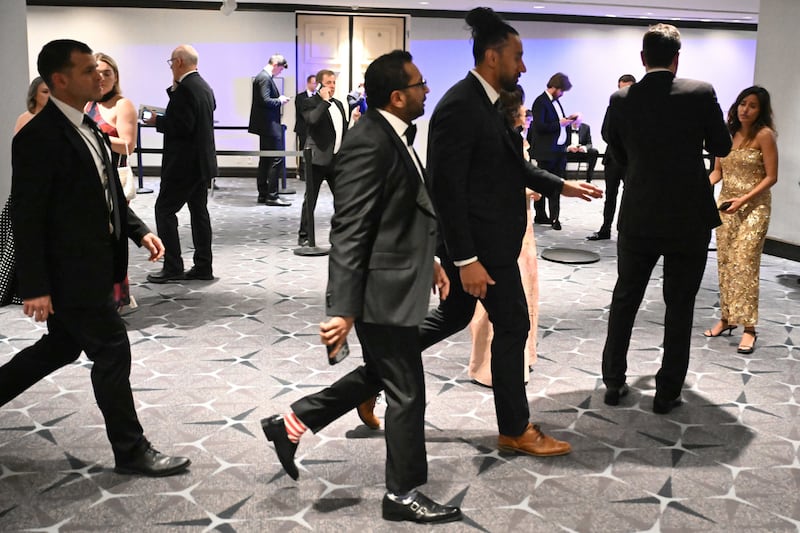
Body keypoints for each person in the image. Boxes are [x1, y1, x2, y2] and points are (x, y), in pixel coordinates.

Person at [353, 7, 603, 453]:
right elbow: (446, 191)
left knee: (452, 318)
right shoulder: (460, 107)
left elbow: (514, 165)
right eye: (517, 56)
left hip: (487, 245)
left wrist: (560, 185)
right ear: (493, 57)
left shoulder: (487, 104)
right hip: (479, 250)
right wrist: (465, 260)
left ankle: (369, 378)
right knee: (514, 324)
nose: (523, 66)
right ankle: (515, 428)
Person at [261, 50, 461, 525]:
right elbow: (350, 228)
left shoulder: (391, 135)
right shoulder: (369, 141)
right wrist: (344, 308)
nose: (426, 89)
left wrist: (429, 257)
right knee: (407, 390)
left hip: (393, 281)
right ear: (397, 96)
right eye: (420, 84)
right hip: (377, 291)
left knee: (387, 375)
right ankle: (402, 493)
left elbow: (399, 212)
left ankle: (293, 422)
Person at [3, 38, 190, 476]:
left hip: (95, 264)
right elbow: (26, 217)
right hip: (71, 273)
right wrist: (35, 286)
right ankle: (130, 450)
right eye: (89, 70)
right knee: (112, 349)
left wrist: (139, 230)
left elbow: (105, 193)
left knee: (60, 348)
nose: (99, 75)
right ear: (60, 79)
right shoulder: (37, 136)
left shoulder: (88, 126)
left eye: (100, 69)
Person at [600, 24, 732, 414]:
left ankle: (613, 381)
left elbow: (614, 146)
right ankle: (667, 391)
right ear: (677, 58)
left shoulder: (621, 98)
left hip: (639, 212)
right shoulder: (701, 92)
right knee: (679, 305)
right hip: (688, 217)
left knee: (626, 298)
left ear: (643, 59)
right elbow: (722, 145)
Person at [468, 86, 540, 387]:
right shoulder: (497, 141)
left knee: (524, 296)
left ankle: (522, 358)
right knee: (505, 300)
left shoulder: (514, 139)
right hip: (505, 234)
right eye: (522, 108)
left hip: (522, 230)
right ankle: (490, 367)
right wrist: (533, 188)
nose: (525, 113)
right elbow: (500, 185)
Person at [705, 86, 778, 354]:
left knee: (745, 264)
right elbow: (716, 172)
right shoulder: (726, 135)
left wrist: (744, 200)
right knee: (725, 263)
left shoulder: (765, 136)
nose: (745, 109)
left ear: (761, 110)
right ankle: (726, 318)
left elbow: (771, 177)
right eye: (742, 103)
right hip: (726, 206)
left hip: (754, 209)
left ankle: (748, 328)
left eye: (753, 105)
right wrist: (699, 185)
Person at [145, 44, 217, 284]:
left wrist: (157, 121)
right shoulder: (204, 86)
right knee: (199, 213)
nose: (170, 67)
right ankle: (203, 266)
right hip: (201, 164)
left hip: (183, 166)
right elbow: (194, 119)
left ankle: (173, 266)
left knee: (164, 211)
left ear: (178, 62)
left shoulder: (186, 89)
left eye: (170, 63)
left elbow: (182, 126)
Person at [85, 52, 139, 309]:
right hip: (92, 183)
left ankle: (117, 297)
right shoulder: (89, 105)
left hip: (115, 181)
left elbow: (129, 144)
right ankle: (105, 294)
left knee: (113, 240)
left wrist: (96, 136)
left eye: (108, 73)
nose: (102, 77)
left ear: (115, 76)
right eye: (98, 73)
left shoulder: (123, 105)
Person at [297, 69, 351, 247]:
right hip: (317, 160)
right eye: (329, 83)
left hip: (337, 160)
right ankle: (304, 236)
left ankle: (342, 235)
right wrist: (323, 101)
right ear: (320, 85)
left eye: (334, 83)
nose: (333, 86)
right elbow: (312, 120)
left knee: (343, 199)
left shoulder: (339, 105)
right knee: (310, 200)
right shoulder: (308, 103)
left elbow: (341, 131)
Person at [587, 74, 636, 241]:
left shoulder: (642, 108)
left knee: (630, 196)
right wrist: (619, 146)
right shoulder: (612, 107)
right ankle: (605, 228)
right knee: (610, 195)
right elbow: (605, 132)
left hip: (632, 160)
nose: (624, 92)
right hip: (613, 158)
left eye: (627, 88)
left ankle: (625, 231)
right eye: (621, 88)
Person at [529, 72, 577, 230]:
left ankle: (554, 217)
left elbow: (557, 122)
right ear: (556, 87)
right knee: (542, 184)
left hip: (558, 151)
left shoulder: (556, 102)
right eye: (562, 90)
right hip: (546, 152)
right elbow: (540, 127)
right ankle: (541, 215)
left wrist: (568, 120)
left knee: (557, 185)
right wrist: (560, 124)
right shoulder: (540, 102)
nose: (562, 94)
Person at [248, 54, 291, 206]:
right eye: (280, 69)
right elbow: (265, 100)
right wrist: (280, 100)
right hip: (269, 126)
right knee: (275, 158)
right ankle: (272, 195)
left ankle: (263, 193)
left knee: (266, 160)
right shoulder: (265, 78)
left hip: (265, 125)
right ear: (276, 65)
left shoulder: (262, 77)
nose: (280, 72)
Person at [294, 74, 316, 180]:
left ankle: (312, 173)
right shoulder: (300, 97)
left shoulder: (317, 97)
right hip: (303, 128)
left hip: (314, 129)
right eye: (313, 83)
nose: (315, 85)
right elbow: (302, 111)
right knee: (303, 150)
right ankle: (302, 172)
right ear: (308, 83)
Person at [565, 118, 599, 182]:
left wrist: (584, 148)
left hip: (581, 153)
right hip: (568, 153)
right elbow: (560, 143)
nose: (576, 124)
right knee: (560, 152)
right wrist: (569, 148)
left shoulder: (586, 127)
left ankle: (589, 180)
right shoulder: (565, 128)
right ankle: (564, 179)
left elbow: (589, 143)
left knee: (594, 152)